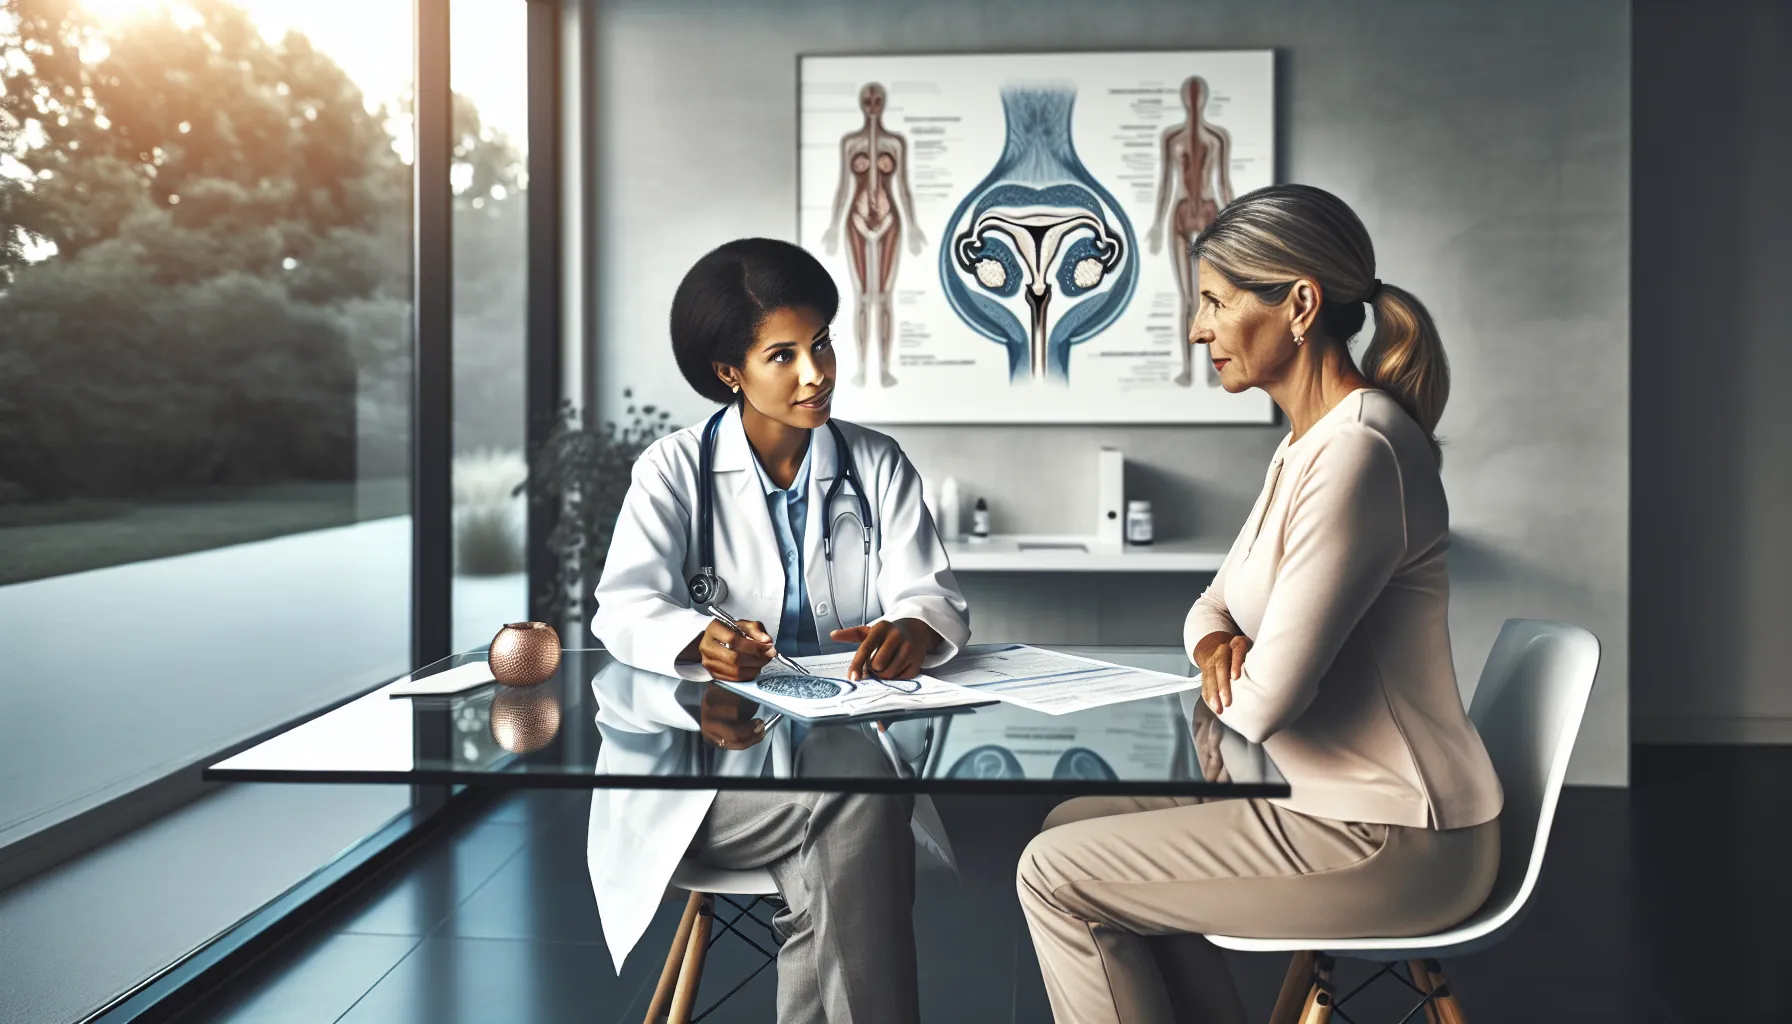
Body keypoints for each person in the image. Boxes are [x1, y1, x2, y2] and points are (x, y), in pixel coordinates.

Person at [1017, 184, 1504, 1024]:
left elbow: (1266, 705)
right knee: (1071, 819)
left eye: (1213, 302)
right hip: (1328, 803)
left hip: (1391, 837)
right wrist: (1218, 647)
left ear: (1301, 304)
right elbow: (1209, 605)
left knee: (1053, 874)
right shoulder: (1307, 443)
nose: (1198, 330)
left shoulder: (1358, 450)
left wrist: (1242, 656)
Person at [591, 237, 970, 1024]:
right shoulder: (673, 470)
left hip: (840, 750)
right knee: (858, 805)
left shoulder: (877, 463)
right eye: (784, 355)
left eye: (823, 344)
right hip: (704, 784)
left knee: (836, 843)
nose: (816, 374)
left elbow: (932, 594)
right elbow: (622, 608)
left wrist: (913, 627)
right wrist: (697, 640)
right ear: (731, 371)